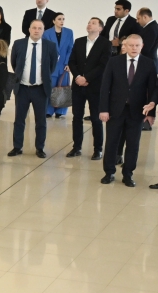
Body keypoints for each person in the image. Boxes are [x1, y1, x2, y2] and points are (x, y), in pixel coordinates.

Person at [98, 33, 158, 187]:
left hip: (137, 111)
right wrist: (103, 109)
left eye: (137, 45)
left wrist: (151, 113)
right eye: (131, 45)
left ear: (142, 46)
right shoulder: (114, 62)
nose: (134, 48)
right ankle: (109, 172)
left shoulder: (148, 63)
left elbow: (153, 90)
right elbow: (105, 87)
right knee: (111, 142)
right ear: (124, 45)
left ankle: (128, 174)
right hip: (115, 110)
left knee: (133, 144)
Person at [8, 17, 57, 158]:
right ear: (29, 29)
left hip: (40, 89)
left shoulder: (50, 46)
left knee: (41, 121)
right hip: (22, 88)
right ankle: (17, 147)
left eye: (40, 28)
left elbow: (52, 66)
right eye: (34, 28)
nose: (36, 30)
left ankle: (40, 148)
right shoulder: (19, 44)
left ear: (43, 31)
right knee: (19, 120)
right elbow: (14, 63)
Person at [69, 17, 109, 160]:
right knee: (77, 117)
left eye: (93, 23)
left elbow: (103, 65)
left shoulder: (105, 43)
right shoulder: (79, 41)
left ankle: (98, 149)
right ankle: (76, 147)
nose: (89, 24)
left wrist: (87, 78)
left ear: (100, 28)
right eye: (89, 22)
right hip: (78, 85)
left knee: (96, 119)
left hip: (95, 86)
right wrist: (78, 76)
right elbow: (72, 61)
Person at [42, 12, 73, 118]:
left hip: (64, 64)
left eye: (63, 19)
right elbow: (45, 49)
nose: (62, 21)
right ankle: (48, 110)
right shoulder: (47, 33)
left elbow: (70, 48)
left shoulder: (69, 32)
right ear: (54, 21)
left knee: (63, 87)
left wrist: (68, 63)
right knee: (51, 87)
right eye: (59, 19)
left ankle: (61, 110)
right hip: (52, 64)